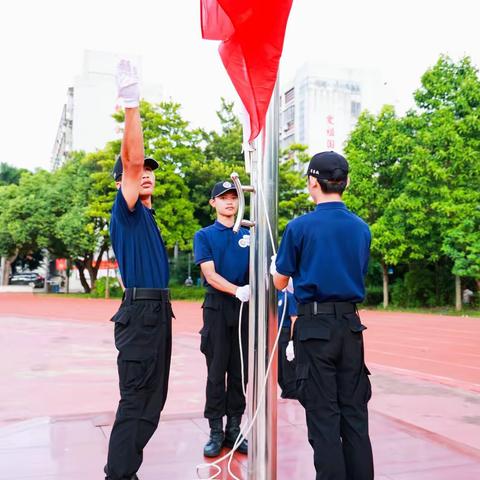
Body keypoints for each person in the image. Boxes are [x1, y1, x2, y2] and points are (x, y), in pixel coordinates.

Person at [271, 151, 374, 480]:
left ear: (313, 182)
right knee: (355, 415)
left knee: (324, 418)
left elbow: (280, 280)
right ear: (345, 182)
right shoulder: (361, 228)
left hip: (315, 327)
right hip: (351, 327)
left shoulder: (300, 227)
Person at [104, 60, 174, 480]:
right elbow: (130, 163)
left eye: (150, 170)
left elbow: (135, 165)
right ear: (124, 183)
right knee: (136, 400)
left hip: (156, 314)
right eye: (138, 171)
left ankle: (125, 470)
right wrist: (132, 106)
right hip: (141, 315)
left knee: (152, 402)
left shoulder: (147, 217)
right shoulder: (126, 212)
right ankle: (119, 475)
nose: (145, 173)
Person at [193, 181, 250, 457]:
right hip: (217, 308)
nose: (229, 202)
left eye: (233, 197)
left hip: (244, 309)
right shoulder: (204, 235)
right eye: (223, 198)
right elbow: (210, 274)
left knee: (240, 374)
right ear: (212, 203)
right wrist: (236, 289)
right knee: (217, 373)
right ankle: (216, 431)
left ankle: (234, 429)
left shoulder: (250, 233)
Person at [277, 289, 298, 399]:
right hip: (274, 334)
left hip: (285, 332)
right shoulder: (272, 297)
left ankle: (292, 393)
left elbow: (294, 319)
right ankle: (286, 391)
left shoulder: (288, 296)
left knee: (287, 367)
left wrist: (292, 341)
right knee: (278, 369)